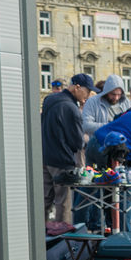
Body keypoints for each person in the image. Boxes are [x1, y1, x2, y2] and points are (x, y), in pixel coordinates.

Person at [41, 73, 95, 223]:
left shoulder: (49, 99)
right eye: (88, 90)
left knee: (44, 200)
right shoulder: (71, 108)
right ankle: (61, 240)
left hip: (45, 157)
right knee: (63, 204)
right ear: (77, 87)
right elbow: (77, 143)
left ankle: (41, 237)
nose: (89, 95)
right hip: (62, 162)